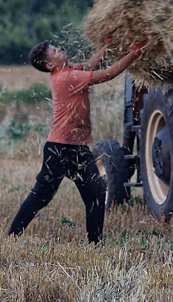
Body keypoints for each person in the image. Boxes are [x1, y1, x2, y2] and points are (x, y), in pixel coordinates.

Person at [7, 39, 144, 243]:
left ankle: (95, 243)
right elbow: (106, 74)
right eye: (54, 50)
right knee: (41, 196)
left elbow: (90, 65)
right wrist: (134, 53)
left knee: (96, 194)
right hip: (59, 150)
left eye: (57, 47)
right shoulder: (65, 78)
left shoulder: (69, 70)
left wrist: (105, 47)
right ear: (50, 65)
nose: (60, 48)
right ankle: (11, 236)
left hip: (78, 149)